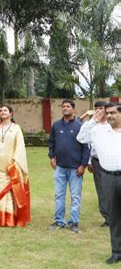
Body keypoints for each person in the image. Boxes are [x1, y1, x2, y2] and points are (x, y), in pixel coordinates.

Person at [77, 104, 121, 263]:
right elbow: (81, 138)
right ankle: (117, 252)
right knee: (114, 216)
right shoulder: (99, 131)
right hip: (108, 177)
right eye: (107, 113)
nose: (109, 116)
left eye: (113, 113)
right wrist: (93, 120)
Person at [47, 99, 89, 233]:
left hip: (75, 169)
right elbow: (51, 142)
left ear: (74, 110)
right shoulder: (56, 125)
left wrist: (83, 165)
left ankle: (74, 222)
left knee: (75, 196)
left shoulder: (80, 126)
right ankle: (59, 221)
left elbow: (86, 147)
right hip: (60, 168)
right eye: (63, 106)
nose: (65, 108)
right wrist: (52, 157)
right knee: (59, 195)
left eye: (68, 106)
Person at [81, 101, 111, 227]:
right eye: (97, 109)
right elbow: (87, 143)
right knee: (101, 190)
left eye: (102, 109)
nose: (99, 111)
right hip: (97, 162)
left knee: (114, 189)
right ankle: (107, 217)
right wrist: (89, 161)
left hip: (112, 162)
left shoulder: (112, 125)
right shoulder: (93, 125)